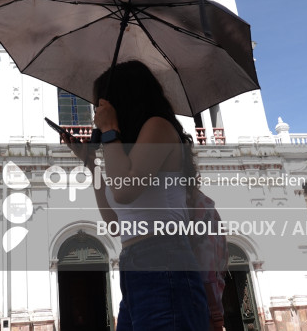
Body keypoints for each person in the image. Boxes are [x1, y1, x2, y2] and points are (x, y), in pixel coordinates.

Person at [65, 61, 209, 331]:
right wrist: (91, 164)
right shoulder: (125, 152)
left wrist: (110, 131)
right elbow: (115, 223)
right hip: (134, 264)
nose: (96, 113)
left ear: (122, 99)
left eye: (101, 105)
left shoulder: (158, 127)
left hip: (164, 258)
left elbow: (124, 190)